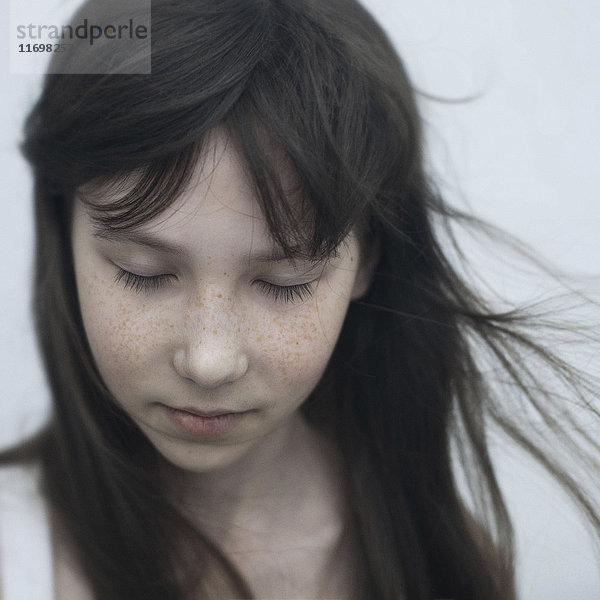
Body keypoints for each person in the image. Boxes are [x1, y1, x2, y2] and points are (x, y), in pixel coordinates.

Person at [1, 0, 598, 598]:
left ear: (367, 259)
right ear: (63, 232)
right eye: (145, 273)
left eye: (284, 283)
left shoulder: (443, 560)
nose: (209, 362)